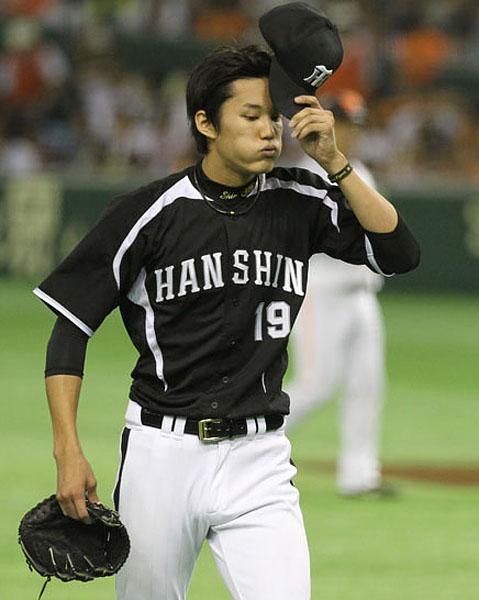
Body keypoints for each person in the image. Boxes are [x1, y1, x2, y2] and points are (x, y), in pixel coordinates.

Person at [34, 7, 420, 598]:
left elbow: (400, 252)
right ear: (206, 123)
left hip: (260, 459)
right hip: (162, 455)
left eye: (274, 117)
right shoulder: (147, 213)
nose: (270, 131)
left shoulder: (300, 200)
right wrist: (68, 449)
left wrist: (335, 162)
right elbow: (71, 326)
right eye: (251, 116)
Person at [285, 89, 393, 497]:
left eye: (357, 124)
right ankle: (248, 441)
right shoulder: (307, 172)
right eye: (346, 123)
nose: (352, 132)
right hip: (321, 293)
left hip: (363, 295)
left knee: (367, 385)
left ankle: (359, 476)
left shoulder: (358, 170)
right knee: (315, 385)